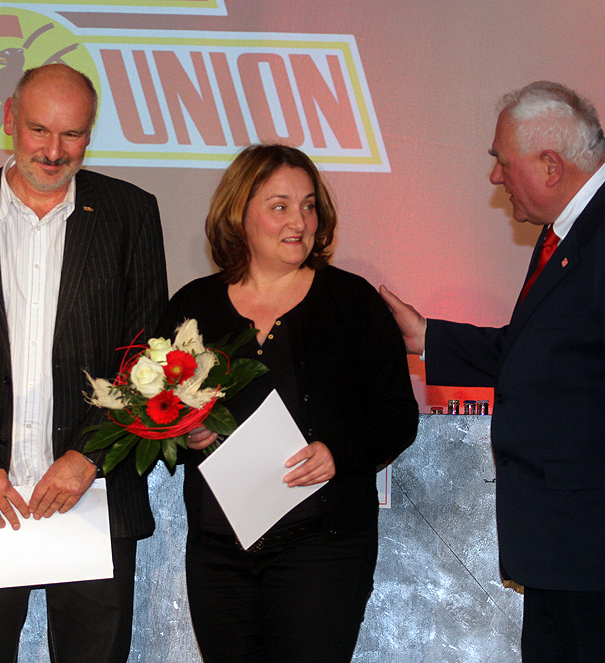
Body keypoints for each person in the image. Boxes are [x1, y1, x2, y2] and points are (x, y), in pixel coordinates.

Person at [380, 81, 605, 662]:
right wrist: (427, 338)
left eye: (502, 160)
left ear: (550, 165)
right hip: (577, 551)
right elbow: (548, 352)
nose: (494, 176)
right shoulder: (579, 228)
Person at [0, 64, 167, 663]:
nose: (54, 152)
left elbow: (147, 353)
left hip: (93, 496)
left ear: (90, 134)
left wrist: (88, 457)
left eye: (72, 134)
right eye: (39, 130)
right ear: (9, 119)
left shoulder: (130, 213)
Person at [159, 144, 417, 662]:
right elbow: (158, 412)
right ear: (239, 214)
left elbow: (397, 415)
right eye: (280, 206)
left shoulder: (352, 301)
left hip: (322, 546)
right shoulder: (193, 305)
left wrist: (338, 451)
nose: (299, 222)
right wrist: (184, 433)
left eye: (309, 206)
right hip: (219, 551)